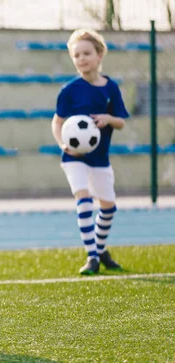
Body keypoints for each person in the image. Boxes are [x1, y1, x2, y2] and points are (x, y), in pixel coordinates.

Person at [51, 29, 129, 275]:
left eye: (86, 53)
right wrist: (63, 144)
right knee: (83, 199)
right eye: (76, 55)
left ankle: (101, 249)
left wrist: (108, 118)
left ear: (99, 54)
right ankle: (92, 256)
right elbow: (57, 122)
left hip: (100, 158)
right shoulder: (69, 90)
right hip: (74, 158)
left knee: (108, 207)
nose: (81, 59)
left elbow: (121, 121)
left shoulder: (111, 88)